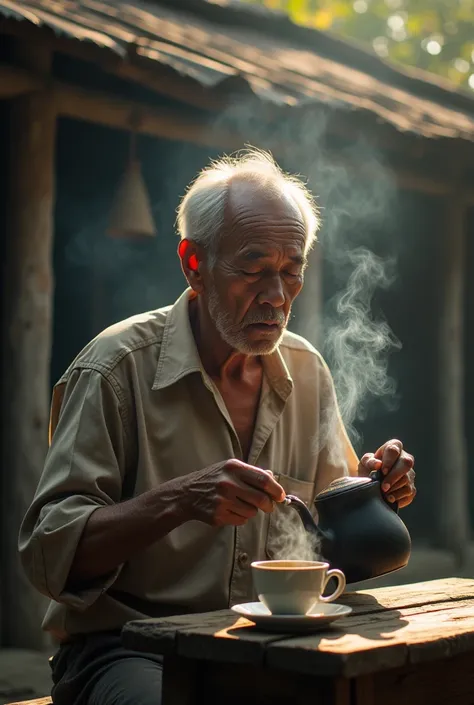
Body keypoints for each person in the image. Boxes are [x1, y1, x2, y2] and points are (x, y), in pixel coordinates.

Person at [19, 148, 416, 705]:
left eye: (291, 271)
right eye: (253, 268)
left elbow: (334, 542)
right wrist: (179, 500)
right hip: (131, 649)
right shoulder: (114, 370)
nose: (276, 297)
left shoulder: (306, 371)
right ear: (193, 263)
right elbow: (47, 554)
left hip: (273, 643)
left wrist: (377, 489)